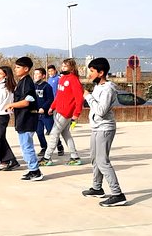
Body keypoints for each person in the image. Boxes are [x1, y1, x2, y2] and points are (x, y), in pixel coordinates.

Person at [82, 58, 126, 206]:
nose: (89, 74)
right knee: (95, 159)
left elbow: (101, 111)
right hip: (96, 127)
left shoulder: (108, 89)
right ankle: (97, 188)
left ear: (101, 73)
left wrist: (88, 97)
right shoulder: (98, 86)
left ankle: (117, 194)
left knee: (102, 161)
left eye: (92, 71)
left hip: (105, 128)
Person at [41, 58, 83, 166]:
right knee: (66, 134)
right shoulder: (62, 78)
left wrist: (76, 114)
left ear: (71, 68)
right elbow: (59, 95)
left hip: (66, 112)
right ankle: (75, 157)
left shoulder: (74, 80)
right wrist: (52, 107)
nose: (62, 67)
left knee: (54, 134)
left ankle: (47, 158)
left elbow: (79, 99)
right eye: (62, 65)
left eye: (65, 66)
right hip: (58, 111)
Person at [32, 67, 55, 156]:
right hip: (36, 114)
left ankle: (59, 145)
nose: (35, 76)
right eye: (34, 74)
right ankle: (44, 147)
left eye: (38, 74)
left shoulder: (47, 86)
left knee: (51, 131)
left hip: (46, 114)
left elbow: (50, 99)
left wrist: (44, 108)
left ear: (43, 76)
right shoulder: (33, 86)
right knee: (39, 132)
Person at [45, 64, 64, 155]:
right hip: (50, 103)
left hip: (57, 103)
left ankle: (59, 146)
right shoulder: (49, 79)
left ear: (55, 70)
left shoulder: (59, 78)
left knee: (56, 124)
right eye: (49, 71)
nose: (50, 72)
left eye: (52, 71)